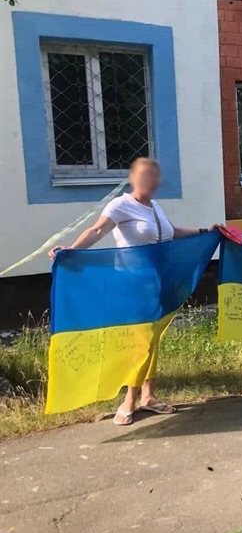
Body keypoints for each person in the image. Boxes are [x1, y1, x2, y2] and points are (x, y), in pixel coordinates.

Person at [48, 157, 218, 426]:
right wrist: (73, 249)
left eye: (154, 175)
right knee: (137, 341)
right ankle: (129, 399)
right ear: (132, 178)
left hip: (157, 284)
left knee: (152, 339)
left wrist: (205, 231)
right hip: (131, 285)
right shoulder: (121, 204)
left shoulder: (155, 207)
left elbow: (171, 233)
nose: (149, 180)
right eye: (143, 175)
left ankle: (148, 397)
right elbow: (97, 229)